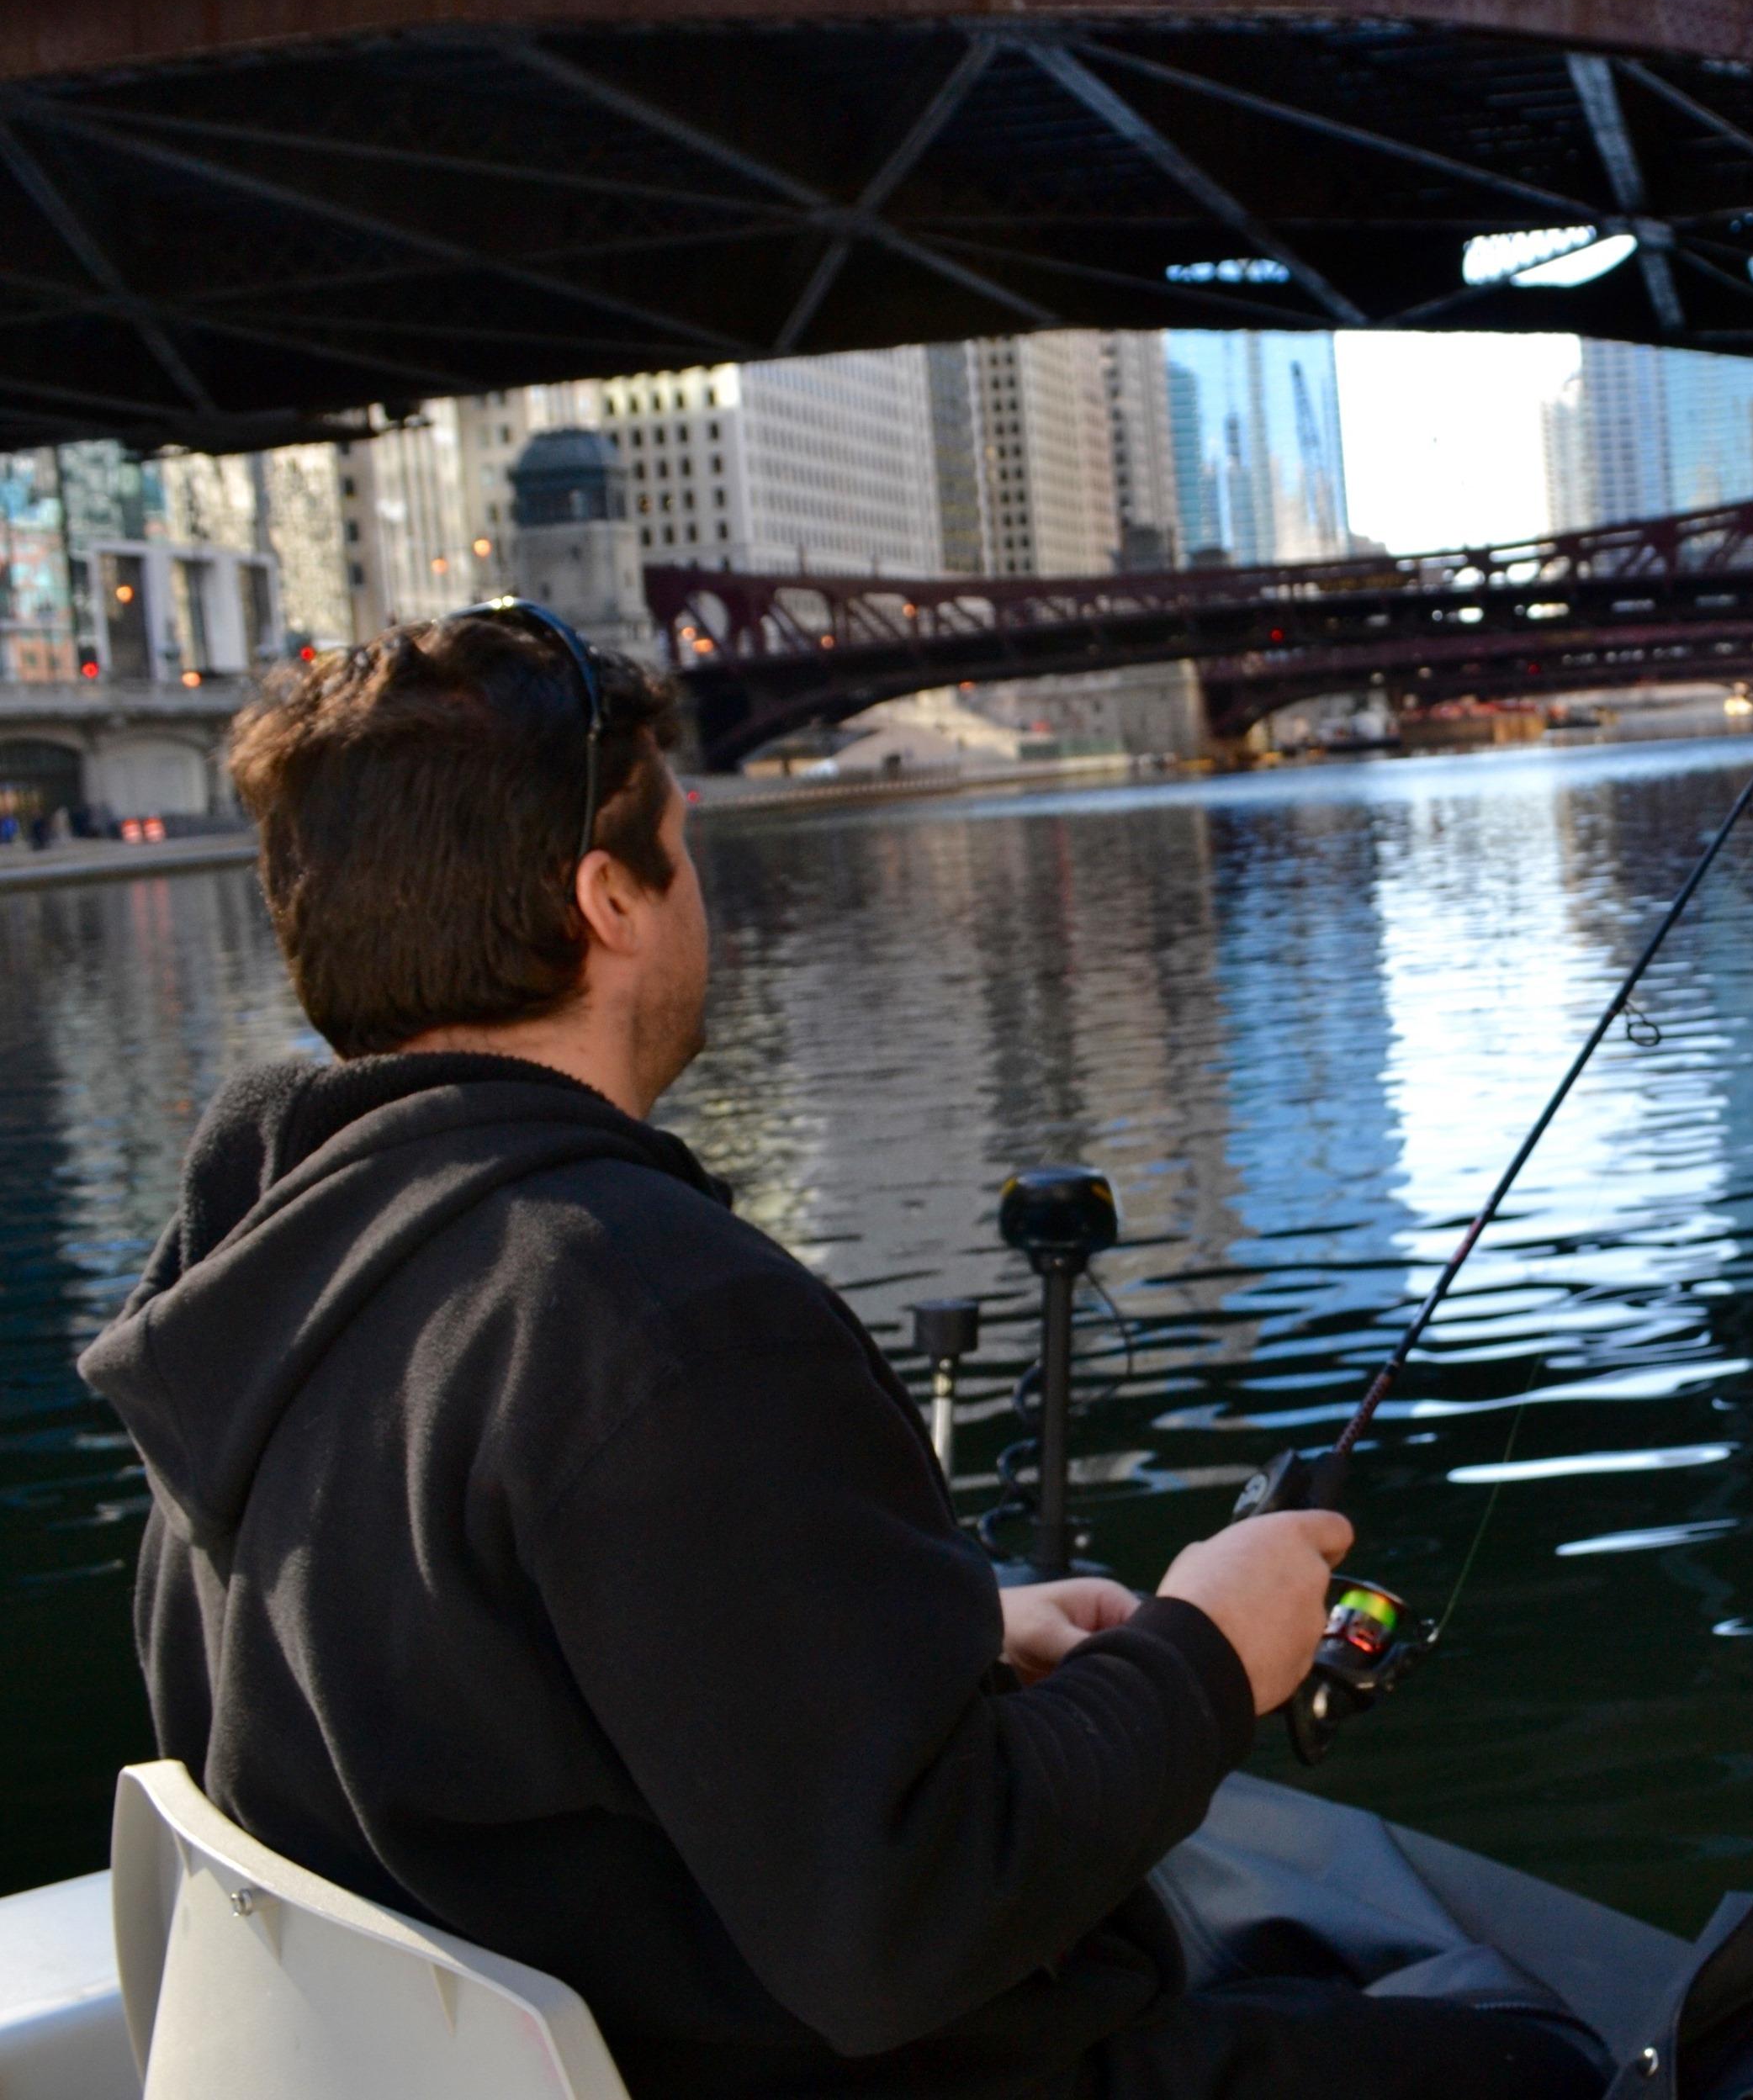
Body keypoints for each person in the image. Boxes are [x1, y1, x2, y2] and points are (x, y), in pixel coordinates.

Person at [80, 606, 1603, 2100]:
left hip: (590, 2040)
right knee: (1547, 2051)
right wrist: (1210, 1648)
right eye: (684, 853)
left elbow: (497, 1695)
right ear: (608, 899)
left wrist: (925, 1624)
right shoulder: (646, 1309)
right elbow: (910, 1928)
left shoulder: (256, 1277)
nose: (699, 905)